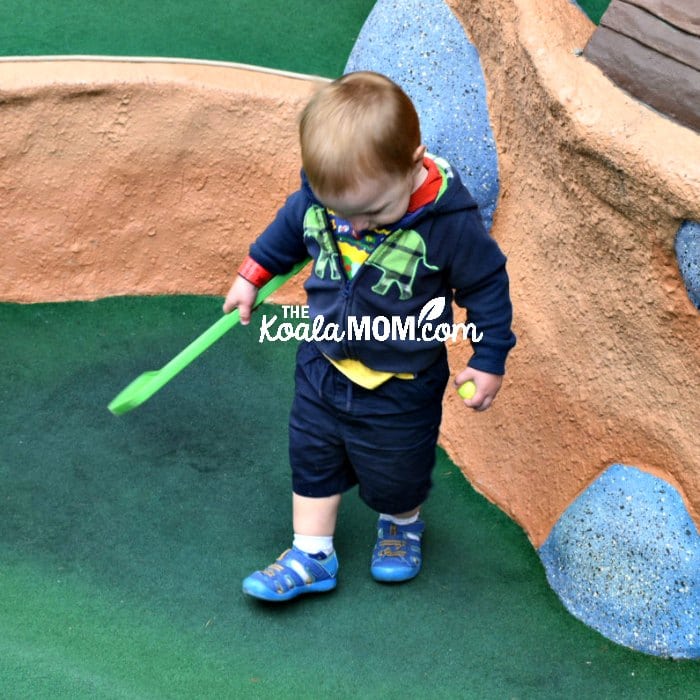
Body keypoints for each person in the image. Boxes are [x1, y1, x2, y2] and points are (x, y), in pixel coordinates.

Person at [223, 71, 515, 602]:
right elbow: (287, 231)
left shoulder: (448, 224)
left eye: (374, 212)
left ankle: (401, 523)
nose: (355, 227)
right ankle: (312, 553)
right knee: (311, 455)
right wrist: (251, 275)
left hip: (401, 381)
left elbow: (487, 286)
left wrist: (489, 354)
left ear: (414, 163)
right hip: (323, 363)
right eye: (342, 213)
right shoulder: (323, 198)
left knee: (398, 471)